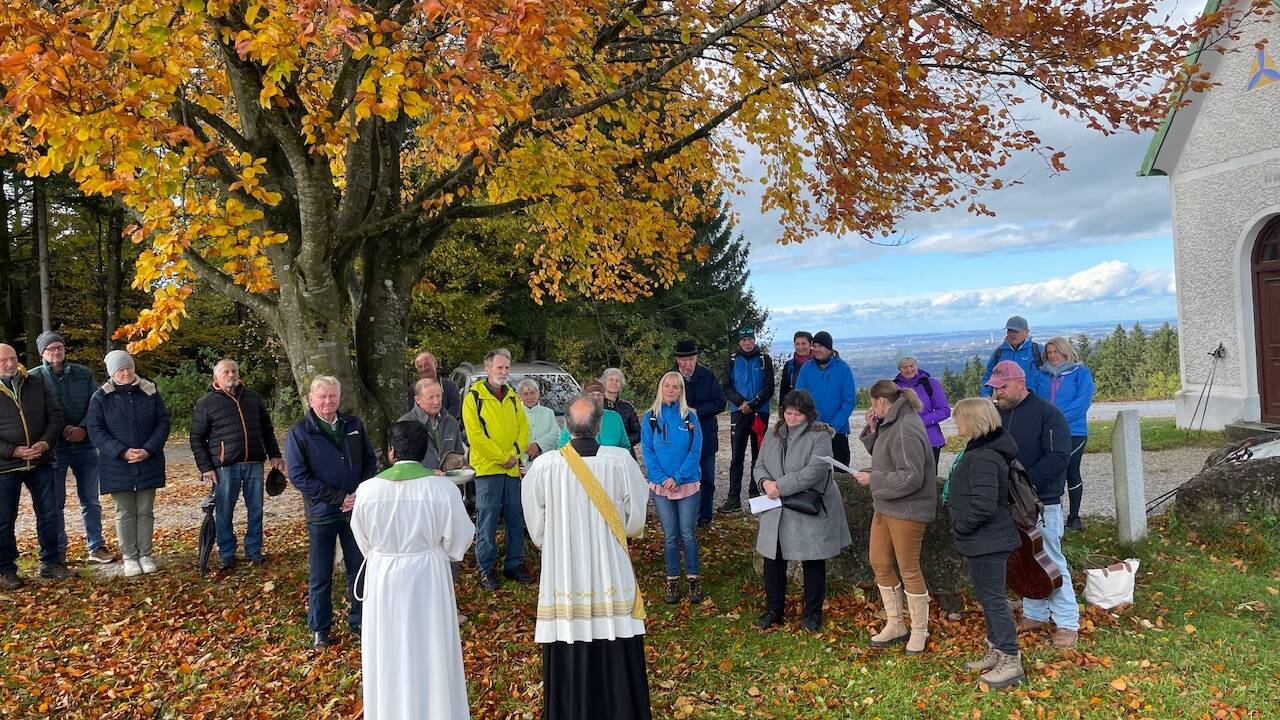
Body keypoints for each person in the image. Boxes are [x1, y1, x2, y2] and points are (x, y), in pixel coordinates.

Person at [522, 396, 651, 720]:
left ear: (566, 425)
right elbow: (636, 518)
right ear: (598, 426)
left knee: (570, 631)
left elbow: (536, 525)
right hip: (610, 569)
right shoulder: (620, 461)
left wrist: (549, 542)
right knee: (614, 631)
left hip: (564, 570)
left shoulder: (545, 466)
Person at [353, 421, 475, 720]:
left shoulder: (368, 490)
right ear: (424, 454)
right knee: (430, 644)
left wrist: (386, 554)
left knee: (390, 647)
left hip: (385, 575)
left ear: (392, 452)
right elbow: (461, 537)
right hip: (427, 574)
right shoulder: (442, 489)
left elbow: (362, 537)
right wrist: (437, 552)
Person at [987, 360, 1079, 649]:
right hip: (1010, 501)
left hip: (1042, 500)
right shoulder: (998, 416)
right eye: (995, 388)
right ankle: (1035, 613)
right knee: (1022, 558)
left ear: (1019, 382)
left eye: (1002, 387)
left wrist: (1025, 485)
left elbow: (1058, 458)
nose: (998, 393)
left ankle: (1067, 623)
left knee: (1049, 558)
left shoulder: (1048, 415)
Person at [286, 376, 378, 649]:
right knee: (320, 574)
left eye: (333, 397)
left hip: (354, 512)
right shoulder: (300, 433)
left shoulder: (353, 425)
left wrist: (358, 494)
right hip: (322, 512)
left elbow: (369, 462)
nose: (328, 402)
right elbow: (299, 477)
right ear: (311, 399)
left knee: (358, 569)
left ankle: (360, 620)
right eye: (322, 397)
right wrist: (338, 498)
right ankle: (320, 629)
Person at [753, 390, 851, 631]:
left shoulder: (820, 435)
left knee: (812, 560)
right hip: (776, 506)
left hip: (807, 506)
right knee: (772, 560)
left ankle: (812, 614)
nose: (792, 417)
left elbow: (815, 471)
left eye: (797, 414)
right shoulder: (773, 432)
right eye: (788, 412)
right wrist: (765, 483)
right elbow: (759, 463)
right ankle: (774, 611)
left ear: (808, 414)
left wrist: (780, 486)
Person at [945, 398, 1025, 689]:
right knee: (989, 598)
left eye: (960, 418)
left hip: (987, 540)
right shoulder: (982, 449)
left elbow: (984, 504)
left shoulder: (983, 457)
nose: (956, 423)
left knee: (994, 601)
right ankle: (997, 649)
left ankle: (1010, 660)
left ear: (974, 420)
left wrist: (960, 524)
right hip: (983, 539)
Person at [854, 379, 937, 655]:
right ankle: (896, 623)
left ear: (880, 401)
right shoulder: (891, 421)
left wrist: (873, 479)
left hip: (908, 509)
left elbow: (912, 477)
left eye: (872, 403)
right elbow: (884, 456)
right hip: (886, 505)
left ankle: (919, 630)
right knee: (878, 561)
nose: (870, 407)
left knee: (909, 568)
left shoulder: (906, 427)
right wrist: (873, 429)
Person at [189, 358, 286, 570]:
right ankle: (226, 553)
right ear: (216, 378)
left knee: (256, 510)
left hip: (254, 463)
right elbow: (196, 438)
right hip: (224, 467)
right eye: (225, 372)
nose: (230, 375)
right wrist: (206, 467)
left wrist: (275, 454)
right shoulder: (207, 403)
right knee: (224, 511)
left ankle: (254, 550)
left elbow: (267, 429)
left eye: (234, 370)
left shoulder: (252, 398)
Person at [30, 331, 116, 564]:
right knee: (54, 503)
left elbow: (96, 404)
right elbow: (34, 414)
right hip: (54, 449)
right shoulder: (33, 378)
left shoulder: (83, 373)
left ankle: (96, 546)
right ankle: (58, 549)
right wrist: (60, 432)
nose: (56, 352)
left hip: (85, 445)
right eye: (51, 349)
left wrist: (83, 428)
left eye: (59, 347)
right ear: (42, 353)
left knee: (91, 500)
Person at [84, 351, 170, 578]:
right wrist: (121, 452)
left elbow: (163, 422)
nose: (126, 373)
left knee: (145, 510)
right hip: (116, 464)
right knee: (124, 511)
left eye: (128, 368)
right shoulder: (101, 397)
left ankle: (146, 554)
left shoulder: (149, 391)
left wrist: (148, 449)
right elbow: (95, 430)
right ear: (112, 373)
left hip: (148, 460)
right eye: (120, 370)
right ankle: (130, 557)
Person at [461, 348, 532, 590]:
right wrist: (502, 458)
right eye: (499, 367)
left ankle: (514, 564)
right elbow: (476, 436)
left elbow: (524, 429)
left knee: (515, 518)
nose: (504, 372)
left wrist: (514, 454)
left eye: (506, 368)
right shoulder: (474, 397)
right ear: (488, 368)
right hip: (488, 470)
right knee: (487, 521)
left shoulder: (513, 396)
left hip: (511, 469)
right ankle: (486, 568)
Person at [0, 342, 70, 587]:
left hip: (41, 460)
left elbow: (56, 415)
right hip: (5, 467)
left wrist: (44, 443)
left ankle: (51, 562)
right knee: (4, 518)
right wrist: (12, 450)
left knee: (50, 513)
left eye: (12, 358)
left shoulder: (34, 382)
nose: (10, 364)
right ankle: (6, 569)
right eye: (3, 361)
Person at [640, 371, 704, 605]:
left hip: (686, 484)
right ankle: (672, 579)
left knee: (687, 534)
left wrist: (677, 477)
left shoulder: (690, 417)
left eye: (675, 387)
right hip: (661, 486)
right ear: (661, 388)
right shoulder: (650, 418)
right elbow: (648, 451)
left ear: (681, 391)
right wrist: (662, 478)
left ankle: (694, 578)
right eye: (667, 386)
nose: (671, 390)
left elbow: (695, 451)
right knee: (670, 536)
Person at [1030, 337, 1095, 531]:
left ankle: (1074, 517)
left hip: (1074, 430)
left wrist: (1055, 420)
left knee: (1071, 470)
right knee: (1048, 470)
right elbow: (1032, 399)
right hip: (1045, 431)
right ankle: (1048, 515)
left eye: (1055, 352)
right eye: (1049, 353)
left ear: (1065, 352)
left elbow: (1082, 402)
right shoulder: (1039, 375)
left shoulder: (1080, 373)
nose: (1052, 356)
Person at [719, 326, 774, 512]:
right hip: (738, 412)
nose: (747, 343)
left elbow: (769, 387)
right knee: (737, 456)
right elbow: (726, 386)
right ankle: (733, 499)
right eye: (743, 340)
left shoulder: (764, 359)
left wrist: (754, 403)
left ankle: (755, 495)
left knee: (759, 456)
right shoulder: (732, 360)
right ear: (739, 342)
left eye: (750, 339)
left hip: (760, 412)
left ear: (754, 340)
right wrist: (741, 402)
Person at [672, 340, 724, 527]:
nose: (688, 364)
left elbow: (720, 402)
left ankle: (705, 516)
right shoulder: (670, 378)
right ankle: (683, 516)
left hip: (705, 435)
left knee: (707, 478)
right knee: (681, 476)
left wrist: (695, 412)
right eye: (684, 360)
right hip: (678, 437)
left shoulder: (707, 375)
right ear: (678, 360)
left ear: (696, 358)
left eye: (691, 359)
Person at [795, 331, 856, 467]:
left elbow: (849, 400)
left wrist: (834, 426)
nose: (816, 349)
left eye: (820, 346)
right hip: (811, 429)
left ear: (829, 348)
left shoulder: (842, 368)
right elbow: (798, 397)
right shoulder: (806, 368)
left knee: (841, 471)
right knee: (812, 471)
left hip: (838, 430)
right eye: (814, 346)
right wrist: (811, 423)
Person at [893, 349, 951, 471]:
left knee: (929, 478)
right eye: (904, 367)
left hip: (930, 439)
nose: (909, 370)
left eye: (911, 366)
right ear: (899, 368)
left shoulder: (930, 383)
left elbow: (944, 410)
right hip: (903, 439)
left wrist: (919, 421)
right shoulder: (894, 387)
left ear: (916, 365)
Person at [399, 378, 468, 472]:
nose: (436, 402)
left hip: (449, 483)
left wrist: (461, 466)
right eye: (431, 397)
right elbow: (400, 464)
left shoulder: (451, 422)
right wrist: (430, 473)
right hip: (420, 484)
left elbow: (459, 453)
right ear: (417, 399)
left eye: (438, 396)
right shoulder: (405, 424)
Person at [979, 316, 1045, 397]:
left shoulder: (1038, 350)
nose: (1012, 334)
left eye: (1015, 331)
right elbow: (989, 376)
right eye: (1009, 331)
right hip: (1006, 402)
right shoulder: (999, 353)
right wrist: (986, 396)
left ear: (1026, 332)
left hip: (1033, 401)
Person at [557, 380, 630, 449]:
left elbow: (625, 445)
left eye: (599, 394)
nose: (596, 398)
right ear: (584, 397)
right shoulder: (577, 415)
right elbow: (561, 446)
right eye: (592, 394)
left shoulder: (615, 417)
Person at [411, 350, 462, 420]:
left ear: (435, 364)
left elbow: (455, 408)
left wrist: (440, 425)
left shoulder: (450, 386)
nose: (424, 369)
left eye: (426, 365)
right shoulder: (412, 390)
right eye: (420, 367)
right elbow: (412, 413)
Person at [518, 378, 560, 463]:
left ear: (538, 393)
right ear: (519, 396)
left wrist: (538, 445)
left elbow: (555, 433)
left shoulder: (548, 412)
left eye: (533, 393)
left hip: (546, 460)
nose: (530, 397)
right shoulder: (515, 413)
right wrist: (528, 449)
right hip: (523, 462)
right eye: (525, 394)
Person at [601, 368, 642, 451]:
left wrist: (623, 443)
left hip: (624, 452)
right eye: (611, 379)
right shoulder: (596, 406)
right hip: (601, 453)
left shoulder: (627, 407)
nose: (614, 383)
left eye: (617, 380)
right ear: (604, 382)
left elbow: (638, 433)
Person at [778, 331, 813, 403]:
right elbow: (784, 392)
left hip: (816, 409)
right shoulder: (789, 366)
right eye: (797, 344)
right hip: (795, 410)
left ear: (810, 344)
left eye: (803, 343)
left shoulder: (818, 364)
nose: (800, 347)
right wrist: (782, 412)